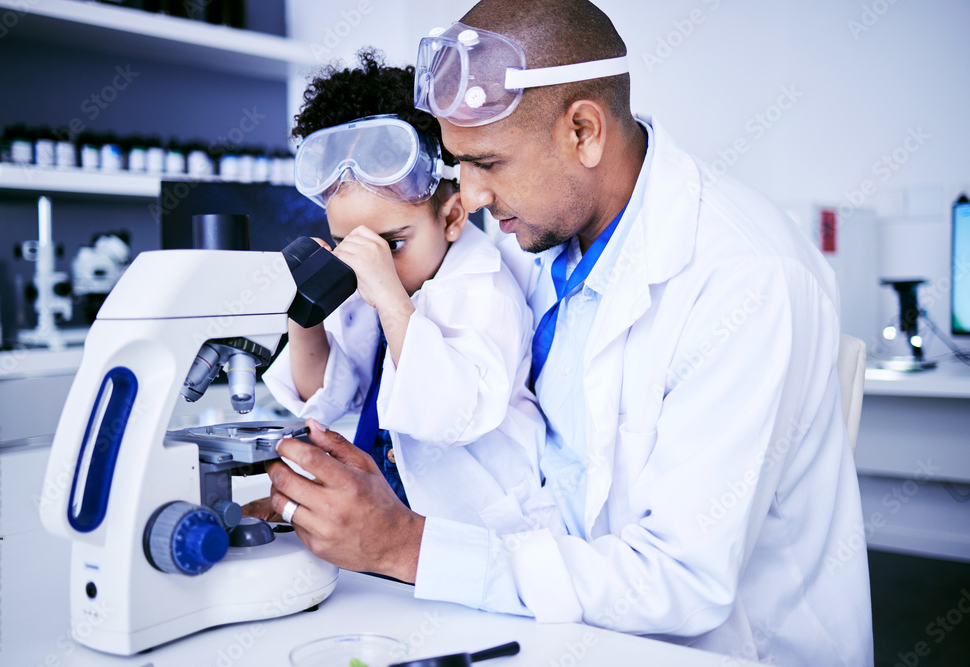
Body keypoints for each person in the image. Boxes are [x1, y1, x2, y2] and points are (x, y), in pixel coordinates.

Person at [264, 2, 874, 665]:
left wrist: (402, 543)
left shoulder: (746, 279)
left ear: (584, 131)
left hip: (712, 649)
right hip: (553, 628)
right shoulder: (532, 239)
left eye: (488, 162)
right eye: (457, 162)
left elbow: (680, 582)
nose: (468, 195)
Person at [261, 51, 552, 534]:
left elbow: (447, 413)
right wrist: (303, 311)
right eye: (348, 244)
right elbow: (327, 394)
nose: (368, 262)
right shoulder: (364, 286)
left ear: (453, 217)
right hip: (385, 517)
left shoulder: (485, 291)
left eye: (392, 243)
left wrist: (393, 303)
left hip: (472, 533)